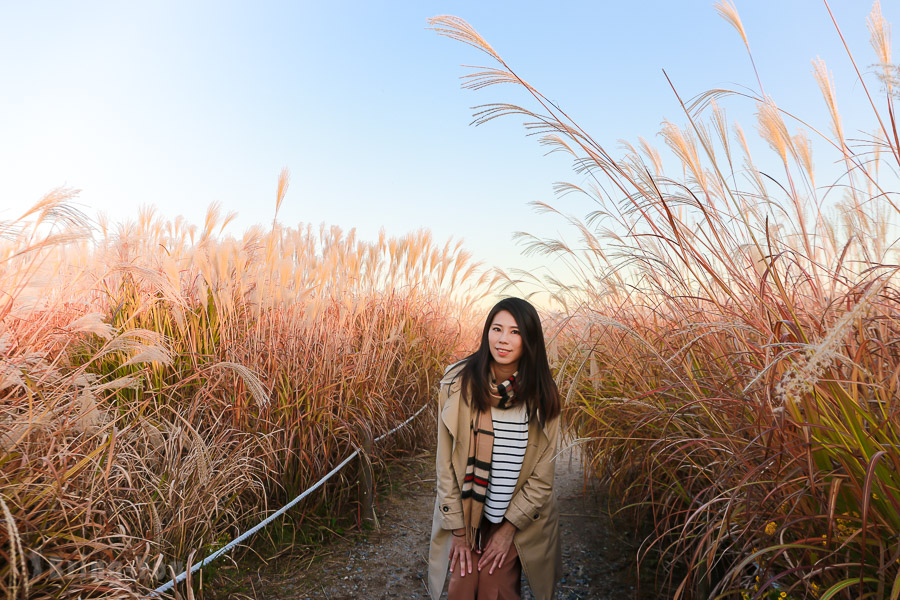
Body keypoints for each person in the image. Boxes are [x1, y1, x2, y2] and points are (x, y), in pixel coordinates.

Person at [427, 297, 562, 600]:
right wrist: (459, 533)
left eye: (515, 332)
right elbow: (445, 465)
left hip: (515, 517)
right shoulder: (458, 383)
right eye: (496, 328)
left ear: (529, 340)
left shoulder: (542, 395)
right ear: (487, 331)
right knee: (461, 585)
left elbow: (542, 478)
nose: (503, 339)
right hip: (468, 514)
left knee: (494, 586)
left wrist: (508, 531)